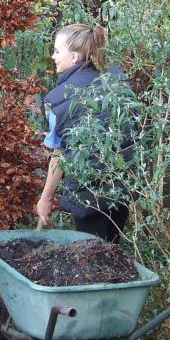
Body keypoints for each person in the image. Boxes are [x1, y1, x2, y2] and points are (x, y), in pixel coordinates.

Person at [35, 24, 131, 242]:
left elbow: (60, 155)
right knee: (111, 252)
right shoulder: (116, 81)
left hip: (89, 194)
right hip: (122, 189)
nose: (53, 56)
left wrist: (46, 198)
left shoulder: (59, 99)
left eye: (58, 51)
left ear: (75, 56)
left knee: (91, 259)